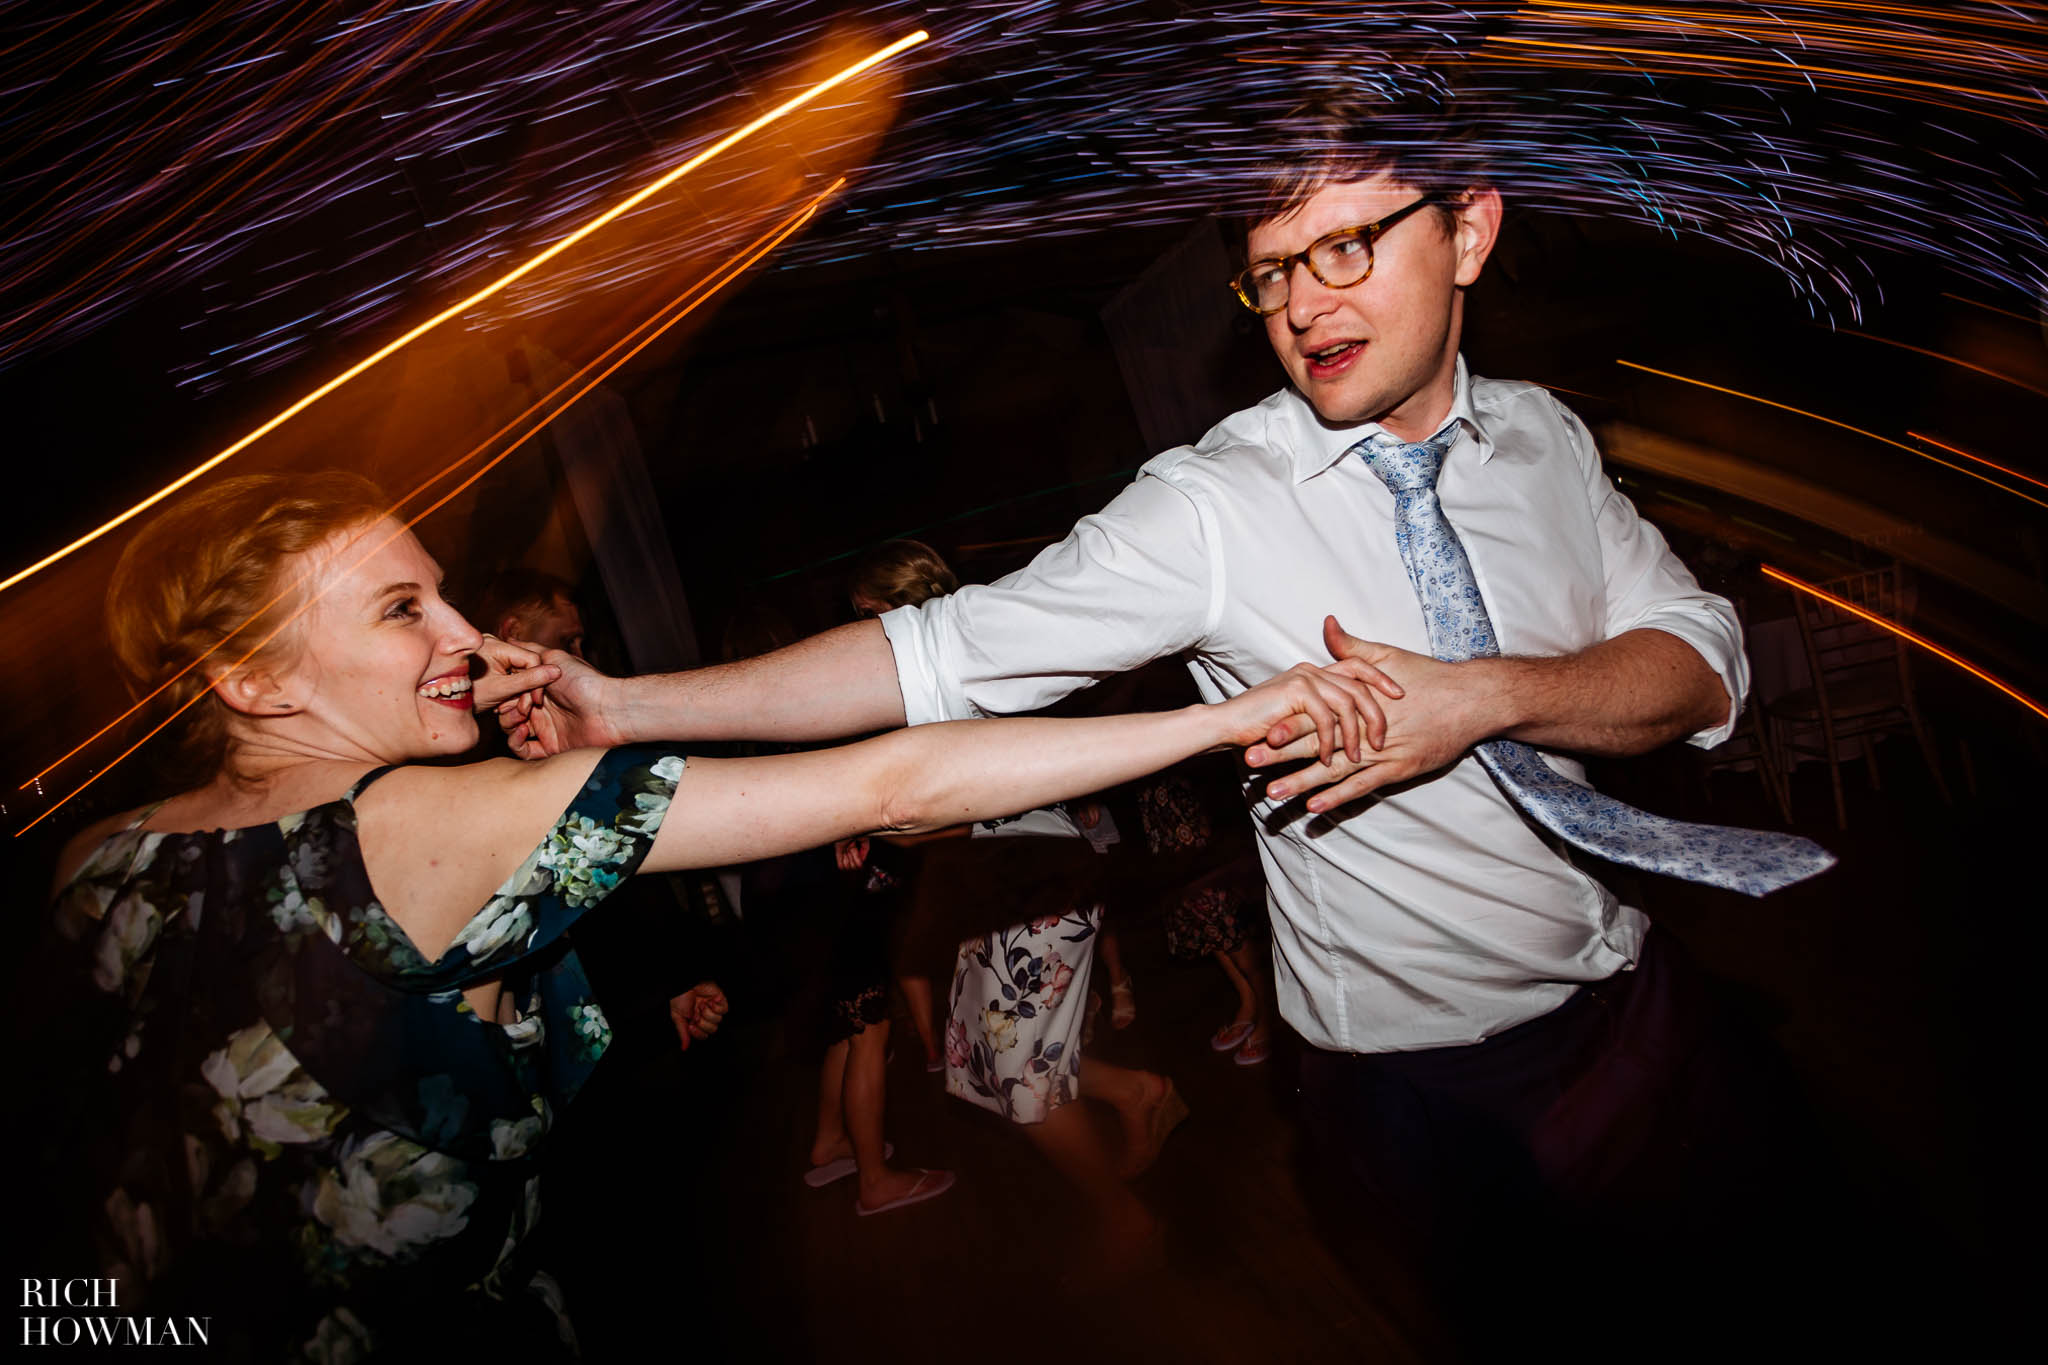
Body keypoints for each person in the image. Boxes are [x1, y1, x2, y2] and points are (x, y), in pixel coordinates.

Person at [497, 93, 1822, 1337]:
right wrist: (627, 703)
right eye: (1272, 272)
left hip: (1639, 988)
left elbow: (1704, 669)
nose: (1305, 306)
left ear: (1468, 230)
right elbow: (933, 654)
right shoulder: (1216, 506)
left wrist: (1487, 697)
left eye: (1346, 247)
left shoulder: (1544, 440)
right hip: (1430, 1079)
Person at [41, 471, 1377, 1358]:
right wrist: (1225, 719)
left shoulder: (97, 859)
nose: (468, 637)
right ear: (248, 676)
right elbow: (901, 780)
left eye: (443, 593)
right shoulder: (446, 820)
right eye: (405, 610)